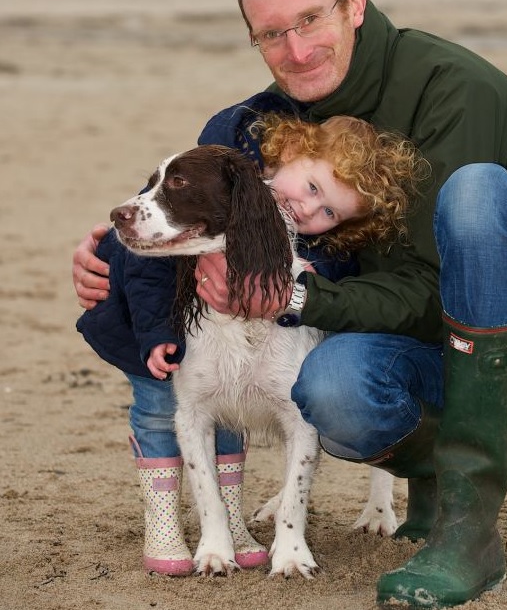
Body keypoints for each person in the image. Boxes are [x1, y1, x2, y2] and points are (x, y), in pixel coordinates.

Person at [72, 0, 507, 607]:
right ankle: (428, 468)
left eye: (310, 20)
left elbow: (431, 284)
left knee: (475, 193)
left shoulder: (453, 88)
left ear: (354, 5)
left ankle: (468, 527)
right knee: (329, 388)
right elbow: (180, 213)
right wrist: (111, 255)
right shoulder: (253, 126)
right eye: (272, 34)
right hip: (431, 349)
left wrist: (298, 294)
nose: (296, 49)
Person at [75, 93, 425, 577]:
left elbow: (305, 419)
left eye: (327, 211)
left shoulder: (319, 248)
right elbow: (138, 264)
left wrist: (291, 527)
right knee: (168, 409)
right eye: (307, 185)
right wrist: (131, 300)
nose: (306, 207)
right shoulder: (231, 171)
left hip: (286, 329)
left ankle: (320, 515)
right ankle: (209, 529)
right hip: (152, 330)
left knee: (293, 413)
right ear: (285, 156)